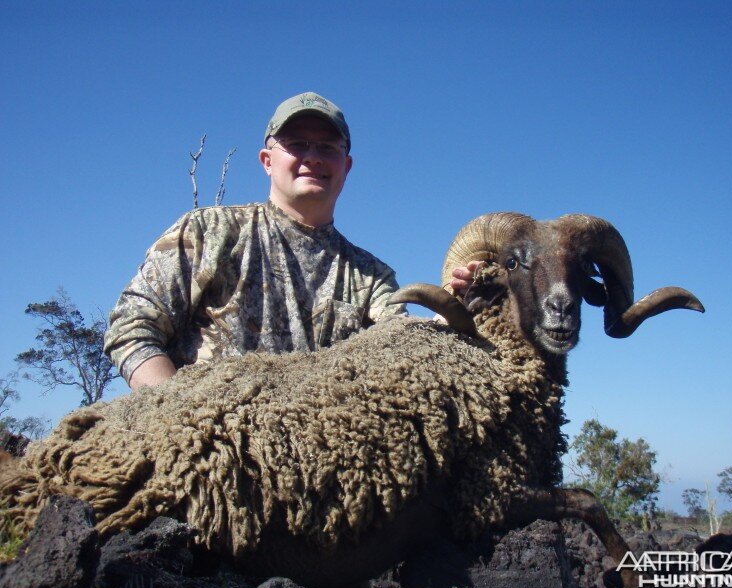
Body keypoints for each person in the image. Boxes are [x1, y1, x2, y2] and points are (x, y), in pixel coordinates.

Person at [105, 91, 476, 391]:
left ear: (346, 166)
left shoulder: (372, 276)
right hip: (204, 457)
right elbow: (131, 329)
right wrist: (179, 421)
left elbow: (403, 349)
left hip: (320, 462)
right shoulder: (209, 232)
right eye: (297, 144)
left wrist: (464, 306)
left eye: (328, 147)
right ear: (267, 160)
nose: (313, 157)